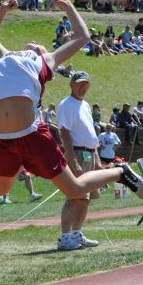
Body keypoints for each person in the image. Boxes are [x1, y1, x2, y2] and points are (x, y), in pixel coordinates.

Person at [0, 0, 143, 206]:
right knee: (0, 188)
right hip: (1, 138)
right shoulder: (5, 56)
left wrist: (68, 7)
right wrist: (3, 10)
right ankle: (23, 161)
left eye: (38, 44)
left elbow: (82, 37)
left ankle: (118, 172)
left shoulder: (45, 60)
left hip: (31, 135)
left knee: (74, 189)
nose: (33, 43)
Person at [56, 71, 101, 250]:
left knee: (86, 198)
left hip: (90, 154)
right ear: (71, 85)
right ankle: (65, 236)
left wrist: (96, 156)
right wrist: (72, 160)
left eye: (86, 84)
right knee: (74, 196)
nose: (83, 87)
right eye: (79, 84)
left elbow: (90, 132)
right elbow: (65, 133)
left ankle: (76, 233)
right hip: (78, 154)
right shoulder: (66, 105)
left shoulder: (85, 105)